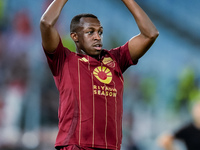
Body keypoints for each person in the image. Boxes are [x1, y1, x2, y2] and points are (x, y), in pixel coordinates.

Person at [40, 0, 159, 149]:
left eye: (100, 32)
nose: (97, 37)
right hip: (76, 146)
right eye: (90, 32)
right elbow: (46, 23)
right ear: (75, 36)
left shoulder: (116, 59)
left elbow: (151, 34)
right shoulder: (64, 60)